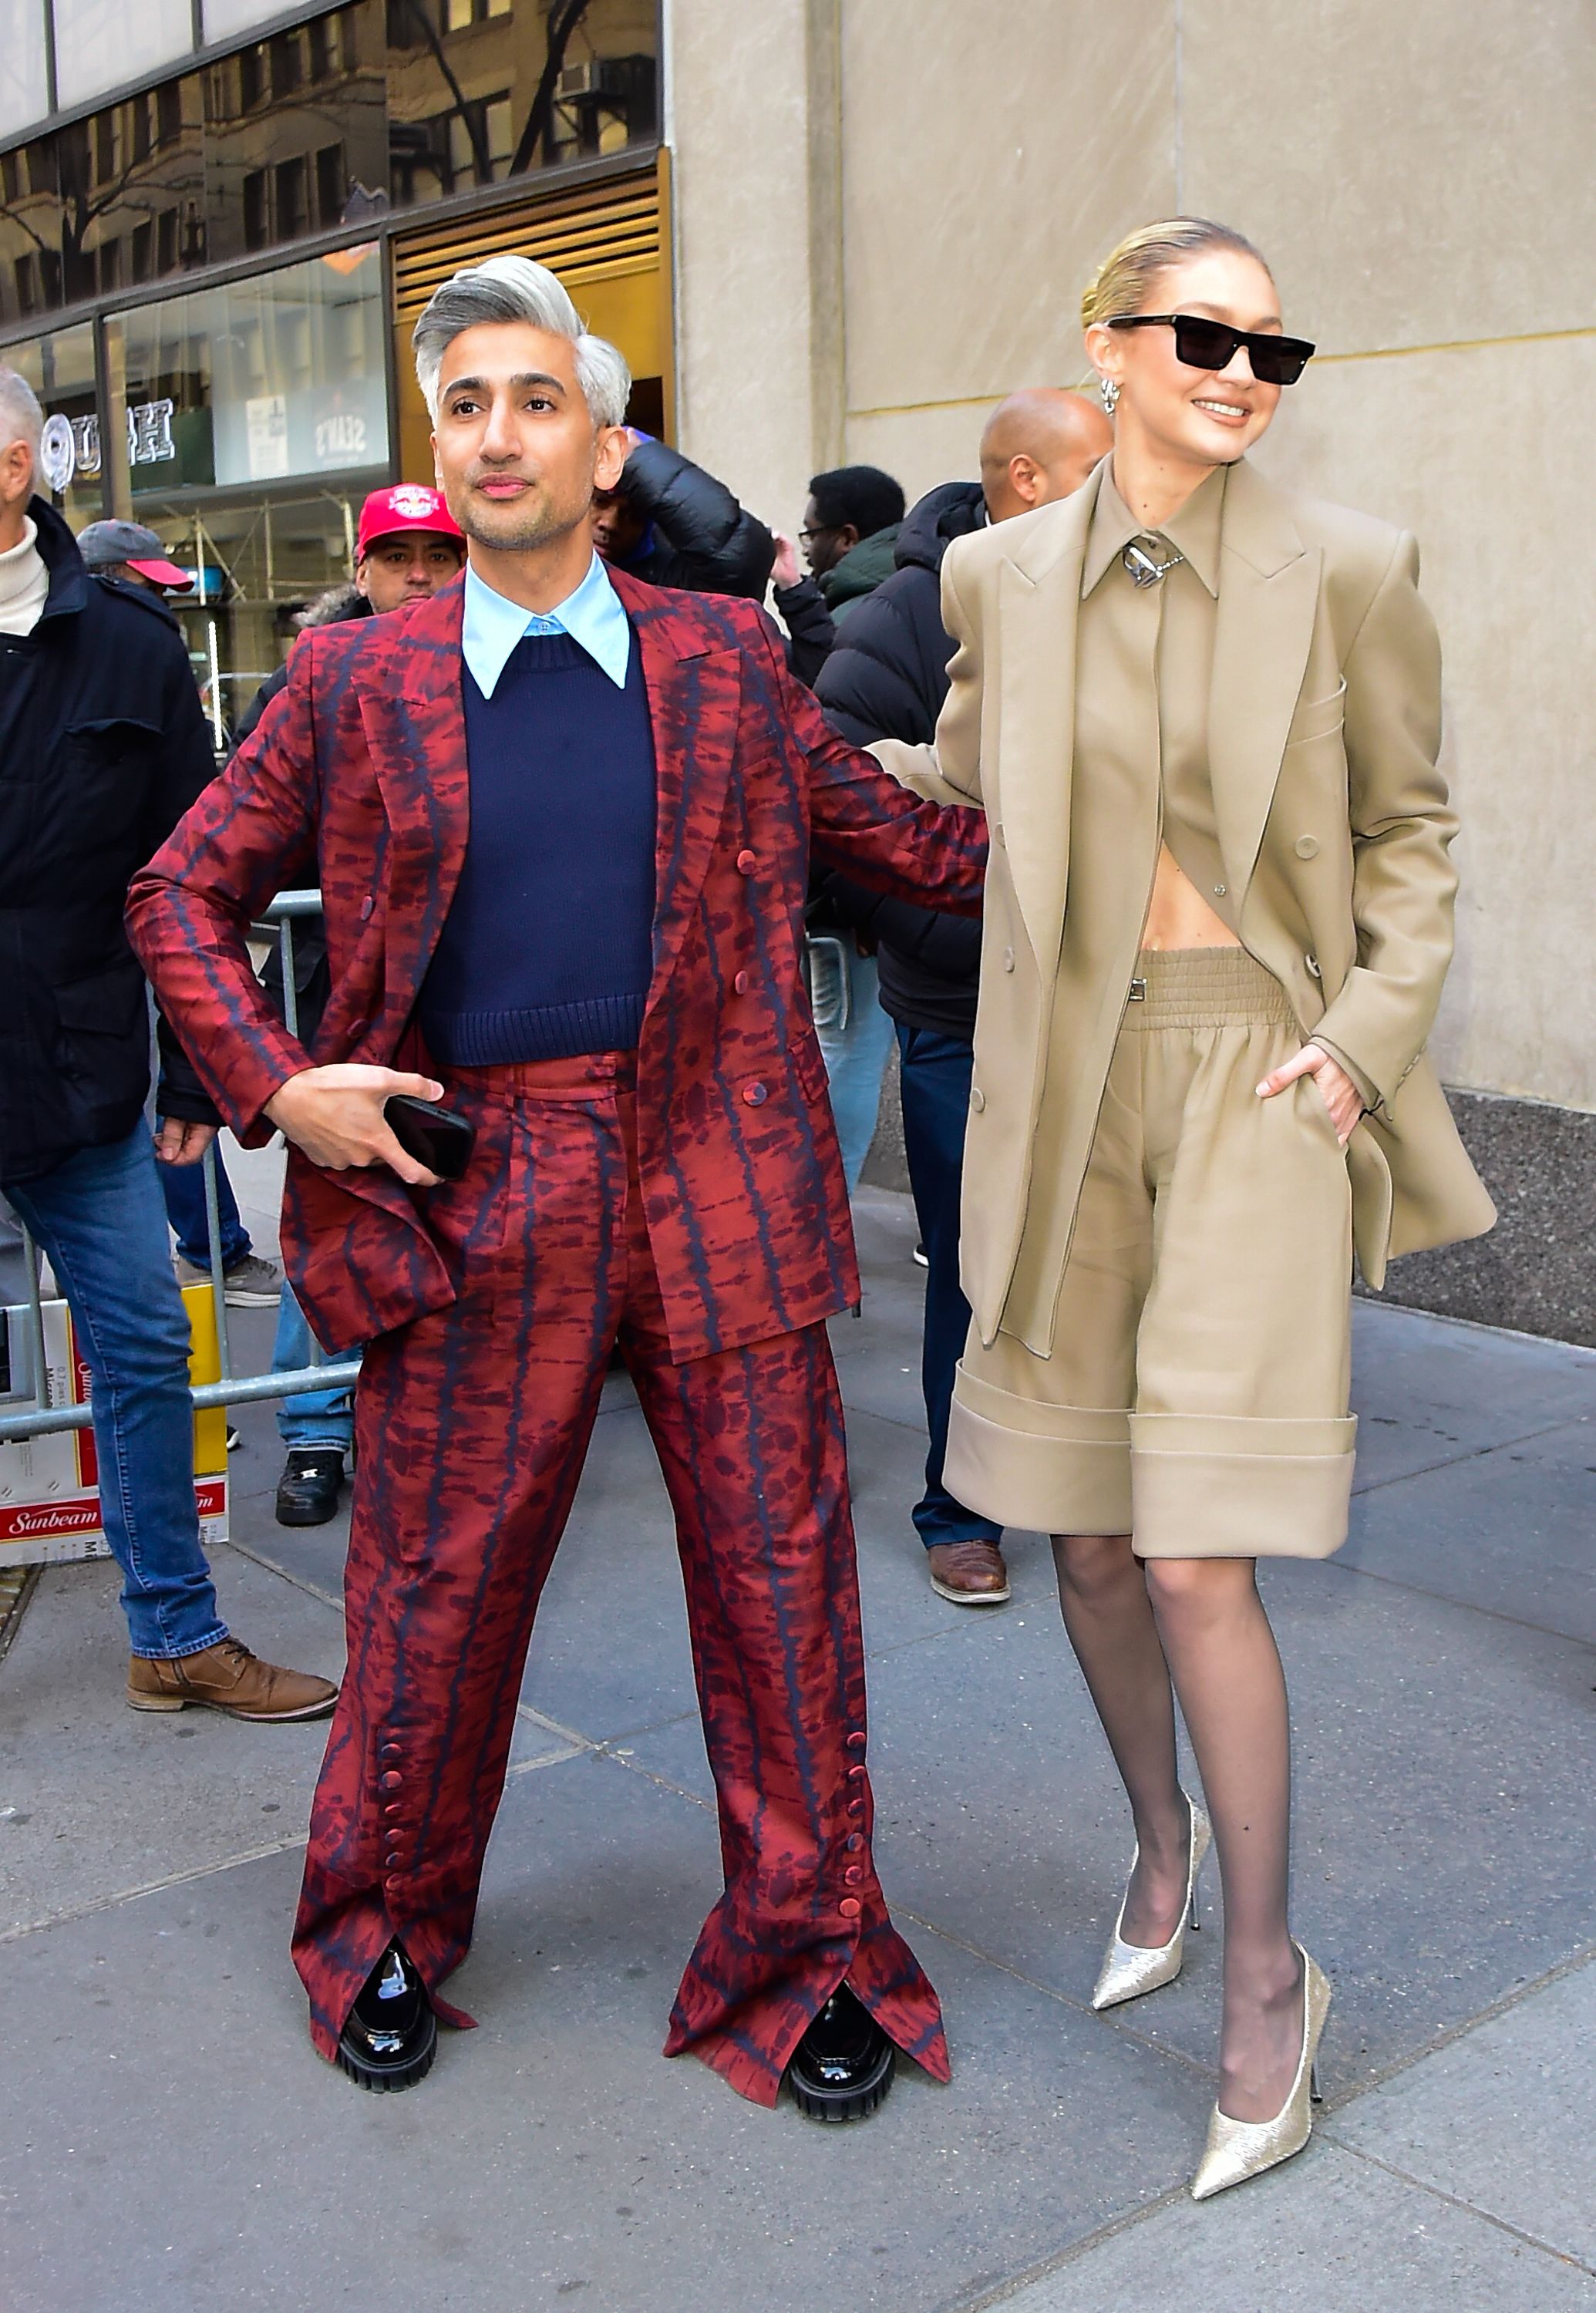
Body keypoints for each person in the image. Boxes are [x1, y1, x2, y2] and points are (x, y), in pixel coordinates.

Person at [127, 254, 986, 2116]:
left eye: (537, 401)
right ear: (436, 449)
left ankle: (808, 1947)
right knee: (433, 1598)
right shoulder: (357, 675)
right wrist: (282, 1085)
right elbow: (176, 891)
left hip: (718, 1171)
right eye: (466, 406)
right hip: (464, 1176)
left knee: (780, 1592)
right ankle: (376, 1933)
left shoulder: (720, 661)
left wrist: (1148, 822)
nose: (500, 434)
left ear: (608, 449)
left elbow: (913, 842)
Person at [870, 217, 1494, 2197]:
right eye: (1204, 335)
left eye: (1272, 346)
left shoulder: (1352, 573)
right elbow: (939, 785)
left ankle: (1258, 1974)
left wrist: (1362, 1035)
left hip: (1252, 1077)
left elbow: (1407, 833)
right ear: (1106, 342)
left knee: (1201, 1555)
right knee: (1079, 1539)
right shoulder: (993, 572)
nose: (1241, 370)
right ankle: (1155, 1841)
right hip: (1053, 1080)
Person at [0, 369, 336, 1723]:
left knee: (144, 1346)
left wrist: (203, 1067)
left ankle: (175, 1632)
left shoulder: (129, 644)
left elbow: (201, 872)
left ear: (20, 458)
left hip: (80, 1072)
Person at [811, 389, 1113, 1606]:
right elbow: (833, 799)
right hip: (961, 1012)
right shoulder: (906, 610)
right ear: (1030, 481)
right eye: (1108, 465)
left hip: (1119, 1008)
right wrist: (948, 926)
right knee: (976, 1269)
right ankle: (961, 1506)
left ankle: (1108, 1491)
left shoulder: (1138, 592)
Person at [231, 486, 467, 1529]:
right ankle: (319, 1428)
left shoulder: (498, 676)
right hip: (346, 1017)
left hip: (473, 1019)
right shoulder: (308, 687)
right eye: (397, 555)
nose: (418, 573)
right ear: (360, 569)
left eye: (437, 553)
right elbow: (219, 858)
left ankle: (438, 1426)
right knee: (336, 1222)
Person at [76, 520, 285, 1309]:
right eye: (145, 584)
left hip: (150, 928)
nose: (159, 604)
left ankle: (212, 1247)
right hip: (105, 943)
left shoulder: (147, 669)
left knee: (167, 1097)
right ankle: (209, 1248)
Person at [591, 429, 774, 598]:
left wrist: (641, 462)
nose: (609, 524)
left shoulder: (665, 584)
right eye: (600, 502)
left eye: (632, 515)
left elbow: (737, 562)